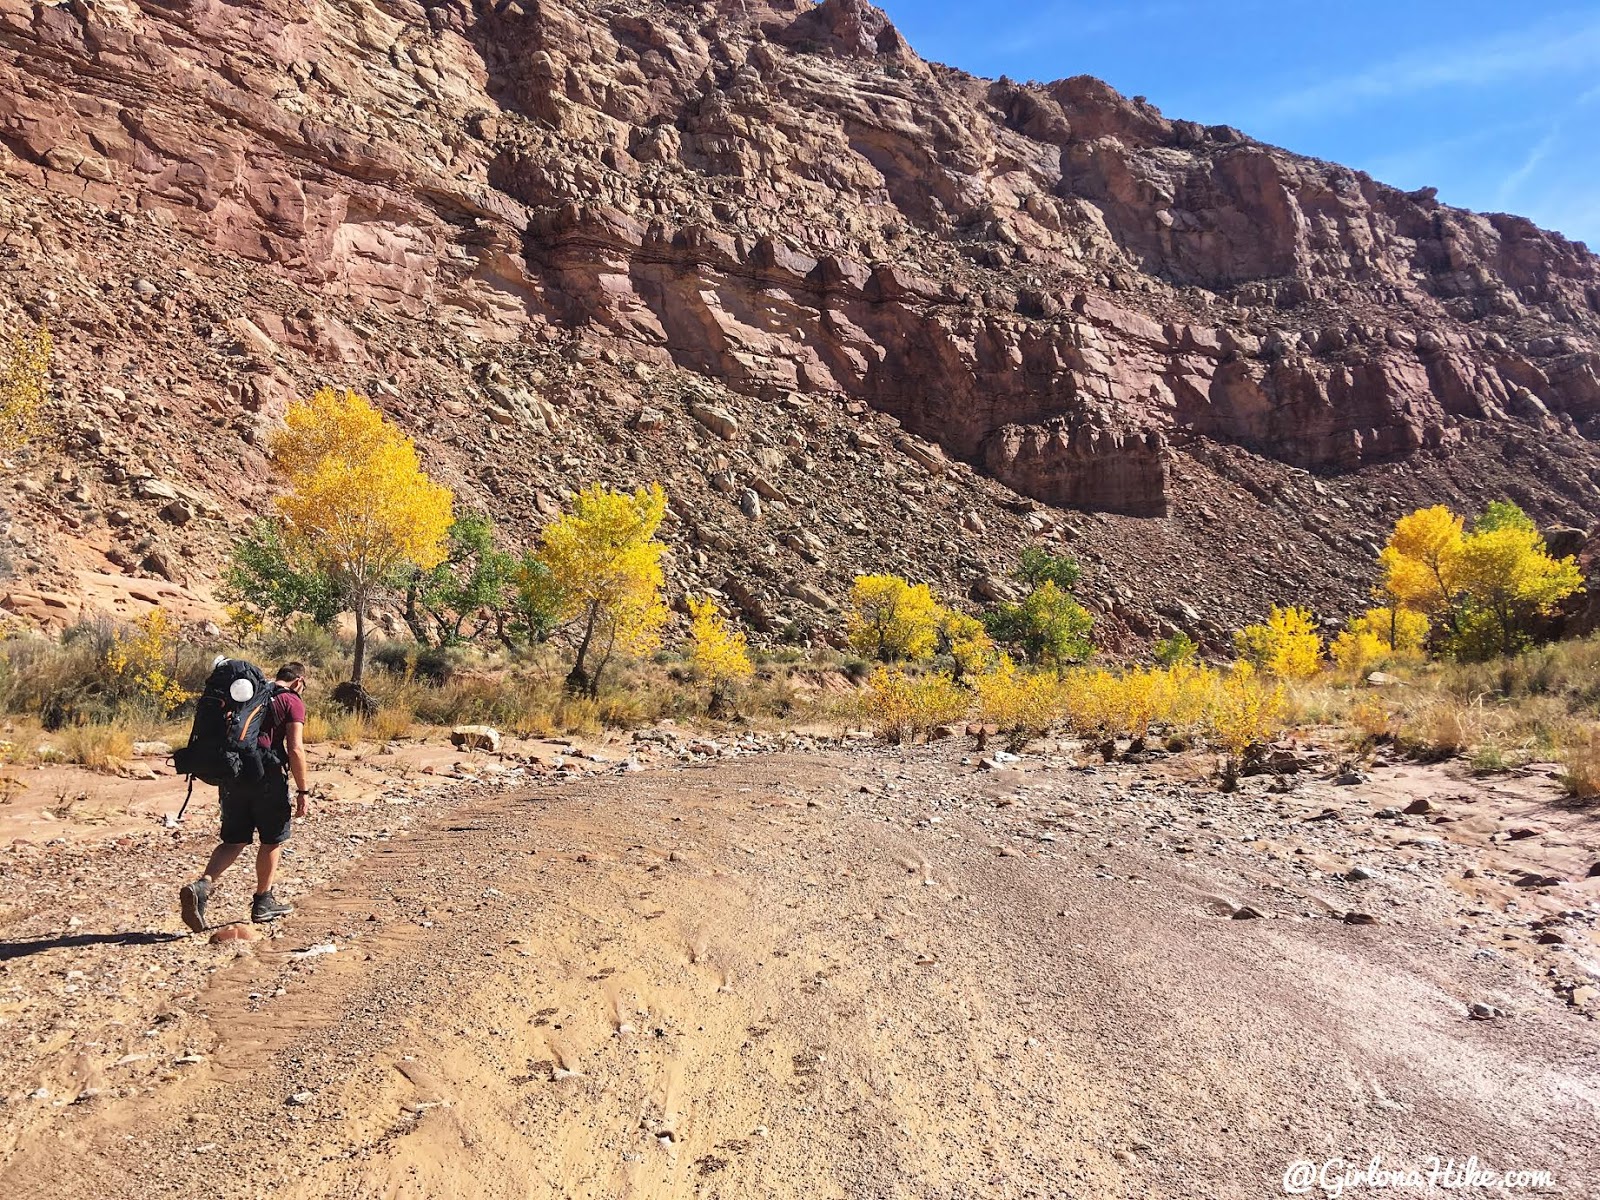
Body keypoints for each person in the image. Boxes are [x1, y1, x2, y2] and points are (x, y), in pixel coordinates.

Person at [179, 662, 311, 930]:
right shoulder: (291, 700)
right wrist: (303, 790)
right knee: (272, 839)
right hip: (268, 777)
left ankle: (203, 884)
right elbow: (295, 748)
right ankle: (263, 901)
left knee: (234, 840)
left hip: (234, 776)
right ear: (298, 681)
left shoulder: (250, 694)